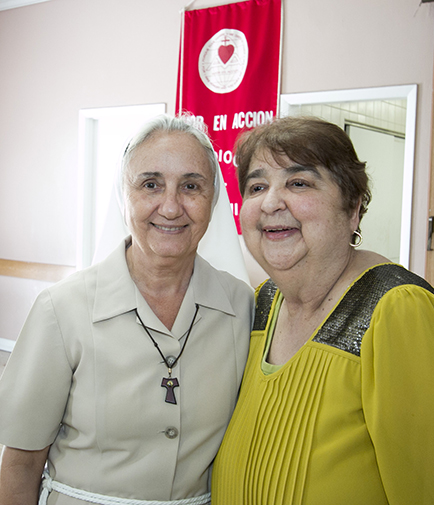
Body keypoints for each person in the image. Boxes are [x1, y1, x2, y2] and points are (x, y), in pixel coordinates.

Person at [211, 116, 434, 504]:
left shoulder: (400, 312)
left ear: (353, 208)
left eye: (299, 183)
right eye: (257, 186)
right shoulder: (261, 303)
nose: (271, 201)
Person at [0, 114, 254, 505]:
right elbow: (20, 465)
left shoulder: (241, 304)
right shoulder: (62, 309)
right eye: (150, 184)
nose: (170, 207)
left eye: (191, 186)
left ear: (214, 199)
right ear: (124, 197)